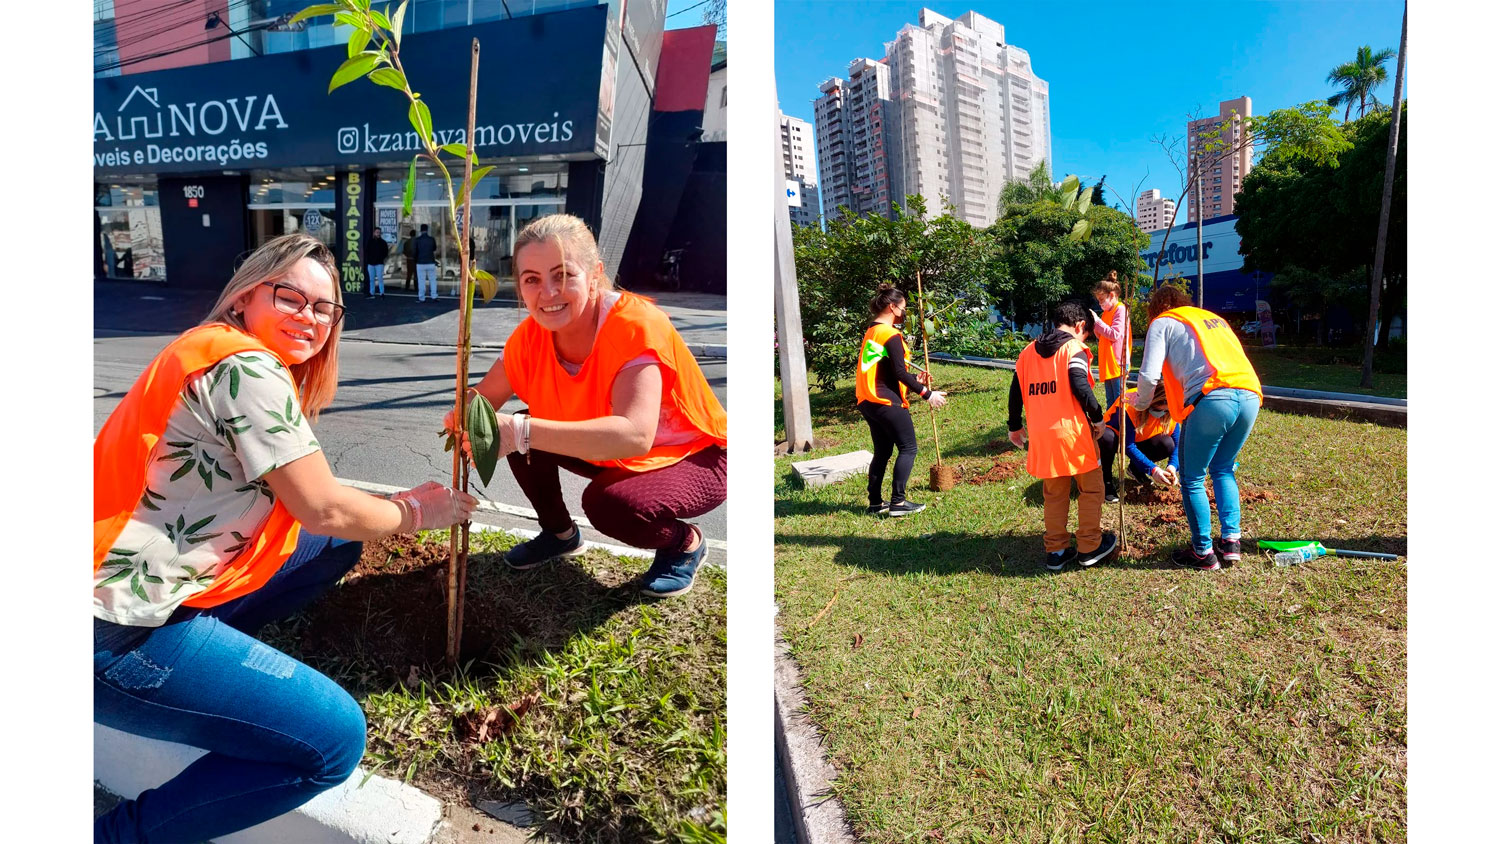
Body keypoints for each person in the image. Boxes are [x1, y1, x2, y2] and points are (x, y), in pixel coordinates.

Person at [93, 233, 477, 843]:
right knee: (333, 741)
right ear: (246, 297)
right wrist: (416, 510)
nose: (310, 318)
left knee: (329, 550)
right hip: (118, 629)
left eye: (324, 309)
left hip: (132, 579)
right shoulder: (244, 367)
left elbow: (316, 519)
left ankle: (220, 661)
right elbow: (322, 505)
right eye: (291, 297)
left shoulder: (211, 350)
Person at [448, 214, 727, 598]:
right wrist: (463, 410)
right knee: (520, 436)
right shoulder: (530, 337)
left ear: (594, 274)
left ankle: (684, 542)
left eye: (562, 275)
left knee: (609, 503)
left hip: (696, 456)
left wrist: (520, 431)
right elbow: (483, 401)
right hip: (613, 454)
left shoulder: (634, 326)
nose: (547, 293)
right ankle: (560, 535)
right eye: (532, 279)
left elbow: (634, 436)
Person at [1134, 285, 1263, 570]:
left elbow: (1149, 374)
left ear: (1156, 308)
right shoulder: (1211, 318)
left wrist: (1140, 402)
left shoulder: (1162, 322)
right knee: (1223, 468)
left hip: (1212, 397)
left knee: (1192, 478)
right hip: (1250, 394)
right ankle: (1231, 542)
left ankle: (1203, 553)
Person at [1007, 300, 1118, 571]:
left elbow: (1015, 391)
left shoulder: (1027, 353)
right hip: (1074, 434)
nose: (1086, 339)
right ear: (1080, 325)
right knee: (1091, 489)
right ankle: (1090, 546)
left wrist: (1014, 426)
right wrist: (1097, 417)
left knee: (1054, 493)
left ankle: (1056, 550)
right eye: (1087, 334)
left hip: (1043, 437)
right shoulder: (1073, 349)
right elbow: (1079, 383)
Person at [856, 284, 947, 517]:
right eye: (903, 308)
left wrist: (912, 379)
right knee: (908, 448)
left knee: (883, 451)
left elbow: (885, 370)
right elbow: (898, 372)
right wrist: (927, 393)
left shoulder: (872, 331)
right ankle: (898, 502)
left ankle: (875, 503)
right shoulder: (891, 334)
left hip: (868, 400)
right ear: (892, 307)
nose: (904, 313)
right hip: (885, 401)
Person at [1099, 383, 1181, 503]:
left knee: (1167, 444)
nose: (1162, 414)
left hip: (1141, 438)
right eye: (1159, 409)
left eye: (1166, 411)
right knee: (1107, 438)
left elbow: (1178, 444)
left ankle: (1136, 469)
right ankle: (1105, 480)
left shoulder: (1170, 407)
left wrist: (1173, 466)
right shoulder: (1130, 403)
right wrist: (1153, 470)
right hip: (1117, 438)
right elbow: (1128, 446)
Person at [1090, 269, 1132, 412]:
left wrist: (1097, 321)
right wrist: (1095, 324)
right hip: (1108, 364)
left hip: (1118, 363)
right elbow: (1102, 335)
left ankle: (1121, 431)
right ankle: (1113, 430)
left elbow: (1114, 334)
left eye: (1102, 299)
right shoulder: (1106, 312)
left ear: (1112, 295)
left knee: (1119, 402)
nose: (1100, 303)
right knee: (1111, 403)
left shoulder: (1120, 310)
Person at [413, 224, 438, 301]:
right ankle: (434, 296)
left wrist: (416, 259)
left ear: (421, 230)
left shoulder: (417, 240)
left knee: (421, 281)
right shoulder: (431, 239)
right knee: (433, 280)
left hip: (420, 263)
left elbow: (415, 252)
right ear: (427, 230)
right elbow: (434, 248)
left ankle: (421, 297)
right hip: (430, 261)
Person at [366, 226, 390, 297]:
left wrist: (380, 258)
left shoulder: (383, 242)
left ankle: (382, 292)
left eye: (379, 233)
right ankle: (372, 292)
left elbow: (385, 253)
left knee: (380, 279)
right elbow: (367, 251)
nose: (378, 234)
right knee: (372, 279)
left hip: (379, 263)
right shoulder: (370, 241)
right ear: (374, 233)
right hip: (371, 263)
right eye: (377, 232)